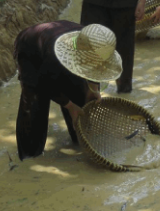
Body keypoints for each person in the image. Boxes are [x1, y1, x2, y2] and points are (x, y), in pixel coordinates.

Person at [14, 22, 121, 160]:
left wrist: (93, 89)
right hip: (31, 50)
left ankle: (79, 141)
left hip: (58, 41)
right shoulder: (55, 56)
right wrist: (70, 106)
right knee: (36, 102)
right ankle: (29, 156)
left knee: (79, 96)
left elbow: (97, 68)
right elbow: (45, 82)